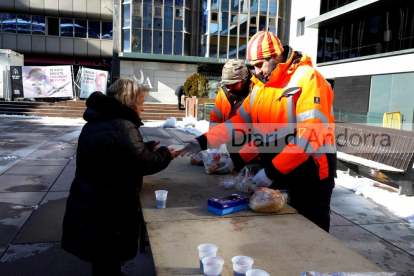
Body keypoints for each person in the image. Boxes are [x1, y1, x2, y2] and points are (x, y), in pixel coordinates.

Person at [181, 31, 336, 232]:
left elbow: (310, 136)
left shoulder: (308, 79)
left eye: (259, 64)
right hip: (281, 170)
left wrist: (271, 171)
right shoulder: (262, 88)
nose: (256, 71)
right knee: (280, 230)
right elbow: (238, 123)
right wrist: (202, 142)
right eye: (253, 65)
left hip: (311, 175)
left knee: (311, 231)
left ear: (276, 57)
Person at [61, 78, 179, 276]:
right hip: (108, 206)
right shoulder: (123, 126)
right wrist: (166, 153)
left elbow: (114, 154)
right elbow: (145, 163)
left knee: (100, 254)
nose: (142, 108)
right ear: (130, 102)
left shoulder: (97, 121)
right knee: (107, 252)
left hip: (91, 198)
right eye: (141, 103)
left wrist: (146, 148)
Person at [210, 59, 259, 173]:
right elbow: (215, 120)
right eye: (226, 84)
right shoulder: (223, 92)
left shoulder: (257, 92)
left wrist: (237, 160)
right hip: (230, 151)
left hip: (252, 155)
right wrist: (214, 147)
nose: (228, 88)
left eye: (233, 84)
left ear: (244, 80)